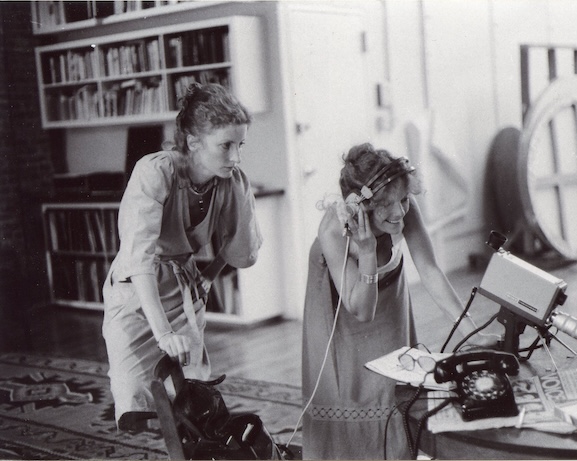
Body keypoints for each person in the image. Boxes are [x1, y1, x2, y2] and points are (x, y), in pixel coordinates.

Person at [301, 143, 485, 459]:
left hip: (388, 307)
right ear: (359, 207)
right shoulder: (333, 231)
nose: (399, 212)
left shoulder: (401, 209)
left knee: (396, 391)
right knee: (350, 396)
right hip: (342, 315)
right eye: (386, 204)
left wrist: (473, 334)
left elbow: (430, 270)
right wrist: (368, 251)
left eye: (403, 199)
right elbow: (361, 309)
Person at [102, 83, 262, 431]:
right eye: (226, 146)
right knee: (134, 396)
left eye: (240, 145)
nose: (236, 157)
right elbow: (139, 260)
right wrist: (162, 334)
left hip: (183, 288)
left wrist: (210, 274)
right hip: (137, 291)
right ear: (193, 141)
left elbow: (242, 247)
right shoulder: (155, 171)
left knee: (191, 401)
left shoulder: (230, 181)